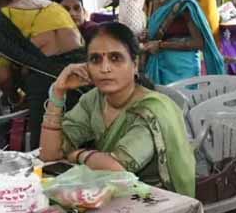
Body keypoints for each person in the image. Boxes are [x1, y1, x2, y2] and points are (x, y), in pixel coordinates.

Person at [40, 22, 195, 196]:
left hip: (156, 199)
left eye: (115, 58)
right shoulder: (94, 99)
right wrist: (58, 93)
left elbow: (117, 169)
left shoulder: (152, 110)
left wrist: (77, 155)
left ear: (134, 64)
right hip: (108, 191)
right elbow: (49, 155)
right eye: (96, 59)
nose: (105, 68)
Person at [0, 0, 84, 148]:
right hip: (82, 78)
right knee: (83, 139)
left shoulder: (1, 22)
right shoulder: (54, 7)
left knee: (46, 148)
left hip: (45, 88)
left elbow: (3, 77)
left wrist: (15, 99)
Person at [135, 0, 224, 85]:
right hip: (160, 65)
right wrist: (147, 35)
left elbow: (198, 43)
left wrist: (161, 45)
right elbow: (158, 30)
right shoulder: (155, 1)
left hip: (182, 70)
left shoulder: (184, 4)